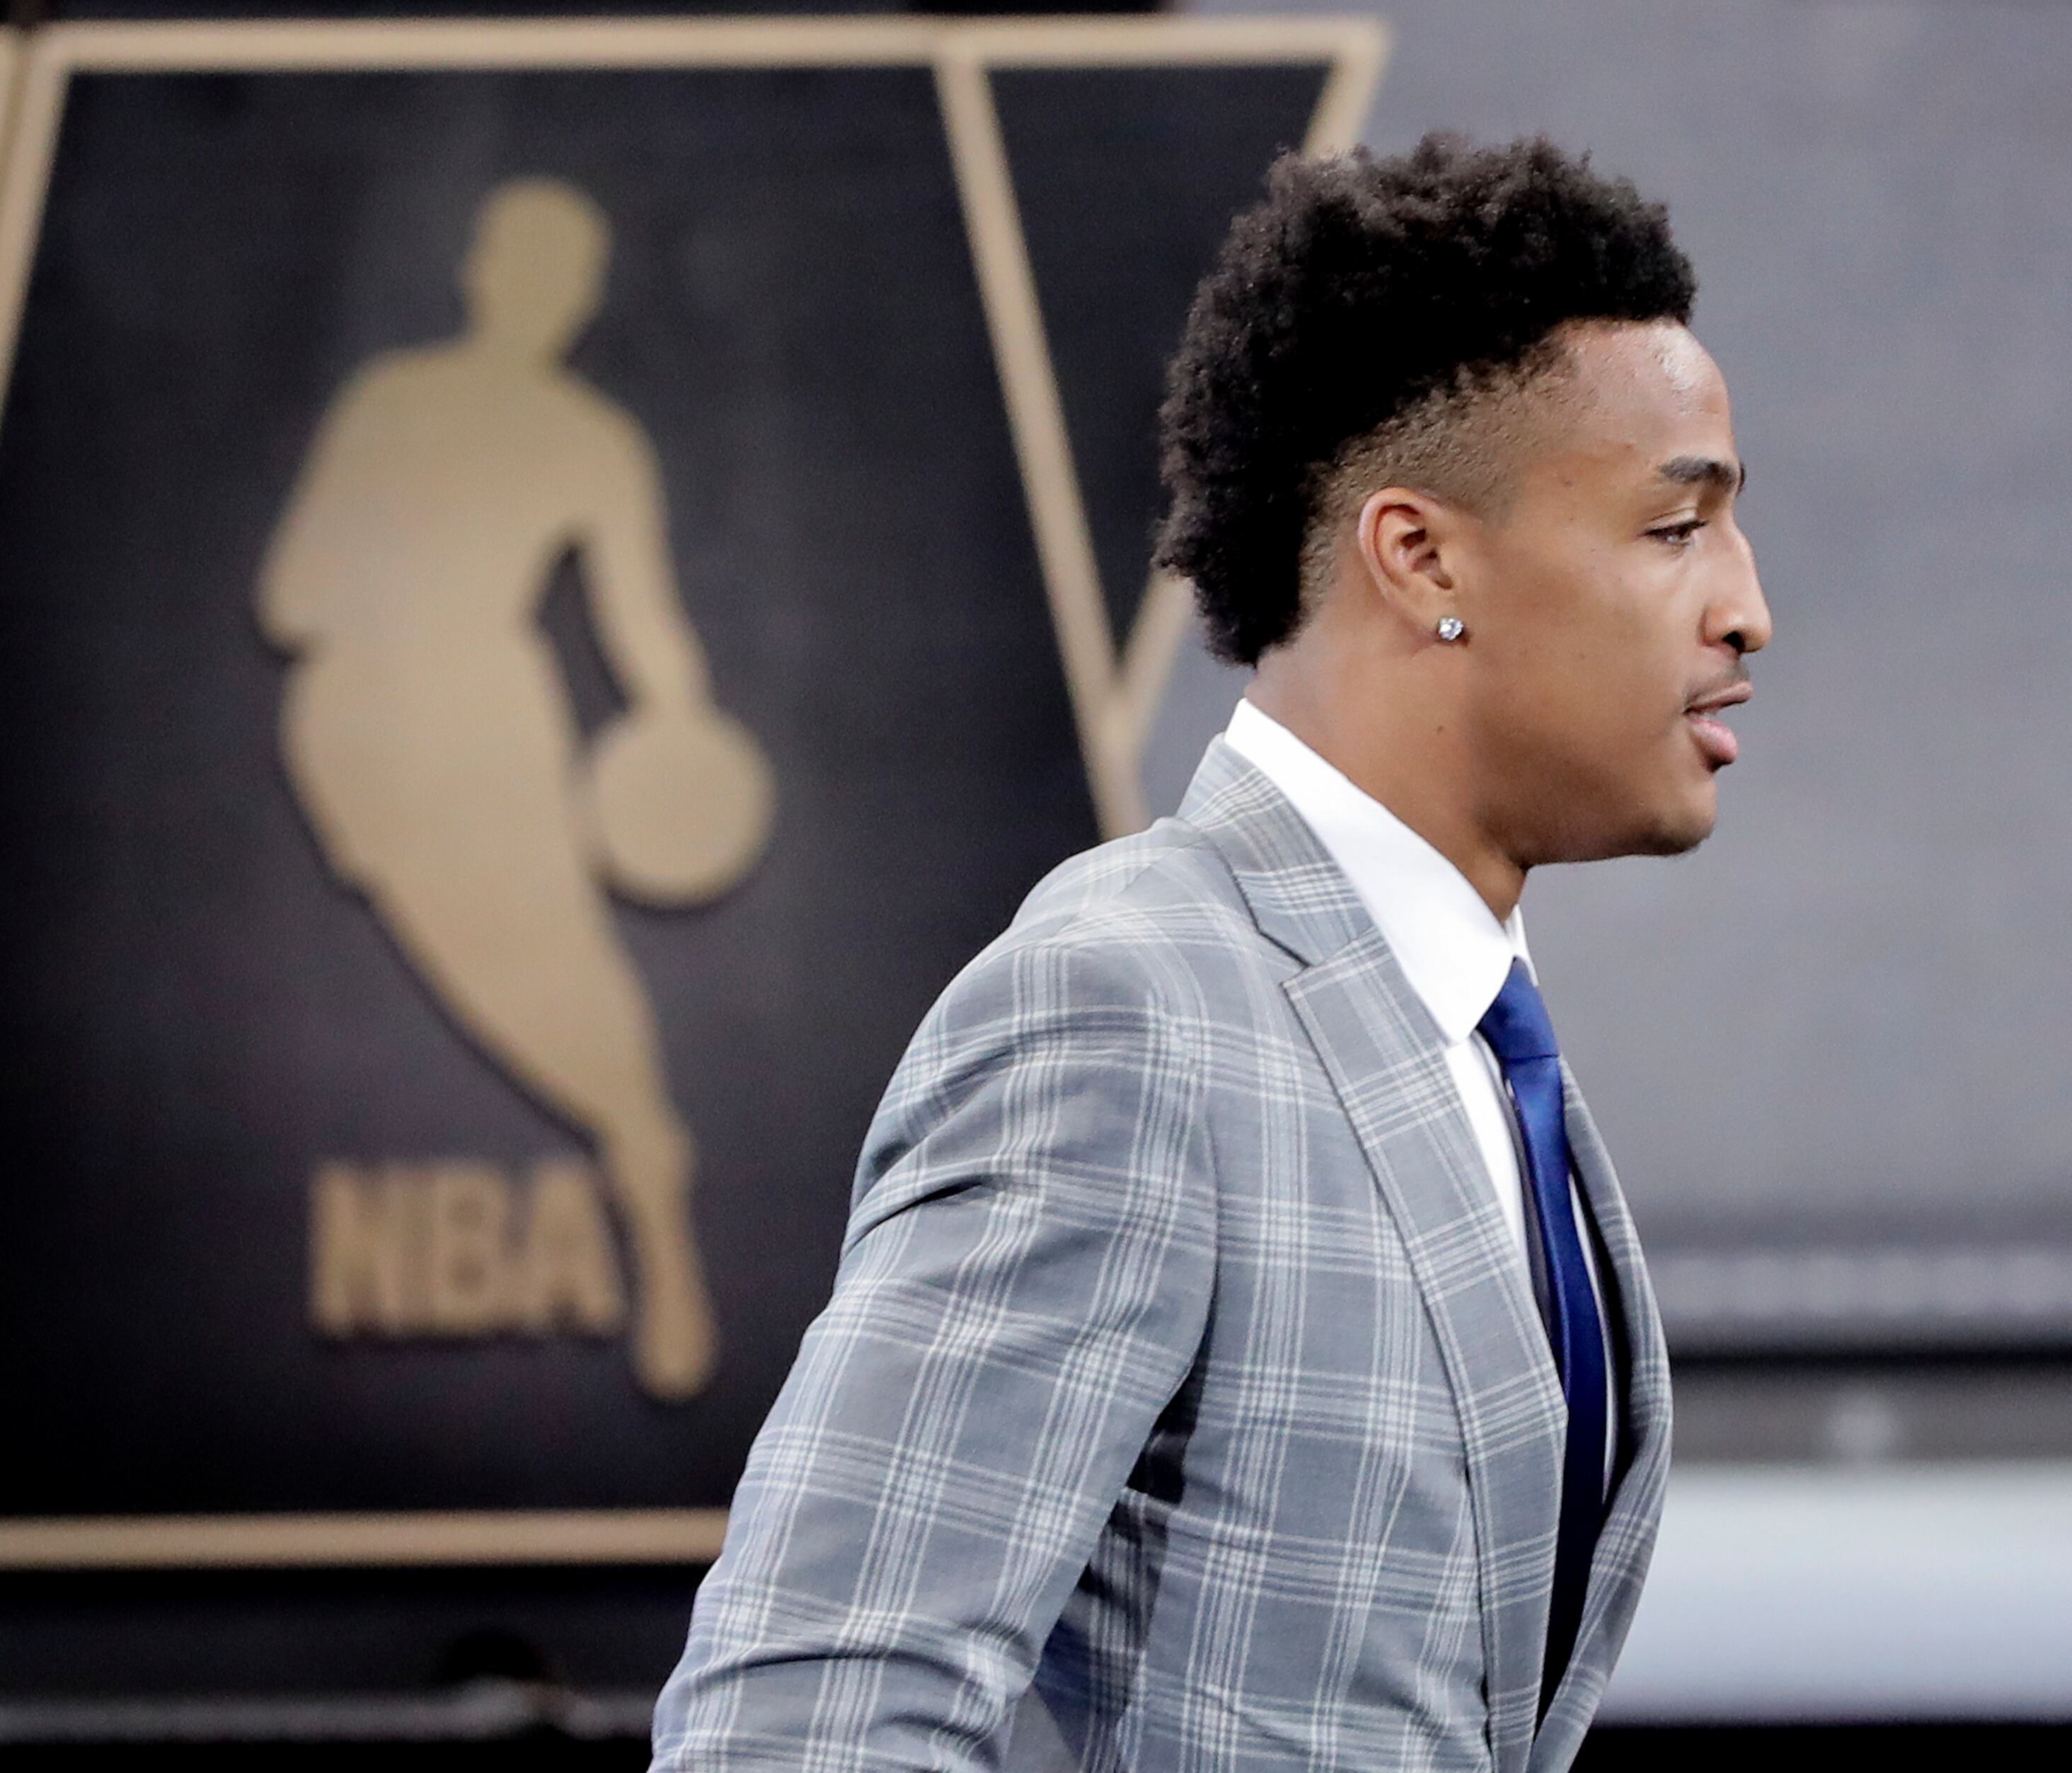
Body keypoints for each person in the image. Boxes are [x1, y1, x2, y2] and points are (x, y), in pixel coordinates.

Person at [655, 137, 1767, 1771]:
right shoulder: (1125, 1009)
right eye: (1676, 527)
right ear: (1423, 557)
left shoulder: (1465, 1031)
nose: (1745, 608)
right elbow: (800, 1728)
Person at [260, 178, 755, 1402]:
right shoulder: (392, 402)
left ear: (580, 299)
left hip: (489, 715)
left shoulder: (595, 441)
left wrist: (683, 733)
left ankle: (648, 1178)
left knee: (556, 960)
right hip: (369, 725)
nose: (534, 294)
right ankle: (642, 1144)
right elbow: (291, 592)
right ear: (479, 269)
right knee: (492, 964)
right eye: (518, 264)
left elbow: (647, 628)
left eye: (559, 277)